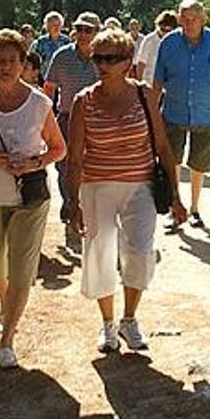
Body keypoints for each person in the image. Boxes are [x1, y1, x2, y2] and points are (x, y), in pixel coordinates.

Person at [66, 29, 187, 352]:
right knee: (100, 250)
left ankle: (129, 320)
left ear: (128, 62)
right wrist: (72, 202)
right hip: (97, 185)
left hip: (140, 185)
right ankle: (107, 325)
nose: (103, 65)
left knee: (141, 251)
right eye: (98, 58)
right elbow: (75, 158)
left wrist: (176, 196)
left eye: (112, 58)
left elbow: (162, 145)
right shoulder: (84, 101)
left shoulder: (145, 95)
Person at [0, 29, 66, 368]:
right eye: (0, 61)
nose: (6, 67)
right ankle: (8, 303)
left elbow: (60, 149)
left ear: (24, 64)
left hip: (30, 198)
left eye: (12, 61)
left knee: (21, 272)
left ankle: (8, 339)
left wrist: (34, 162)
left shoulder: (39, 104)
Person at [153, 0, 210, 229]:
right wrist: (150, 114)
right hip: (173, 113)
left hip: (207, 115)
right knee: (173, 161)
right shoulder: (168, 43)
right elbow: (158, 81)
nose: (188, 23)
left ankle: (195, 209)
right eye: (184, 19)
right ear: (179, 19)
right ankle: (175, 206)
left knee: (199, 164)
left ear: (203, 19)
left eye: (193, 19)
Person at [43, 12, 101, 225]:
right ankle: (69, 202)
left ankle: (88, 205)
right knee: (64, 166)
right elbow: (49, 87)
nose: (83, 34)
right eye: (80, 29)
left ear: (97, 32)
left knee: (92, 165)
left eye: (89, 30)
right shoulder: (62, 56)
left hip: (96, 120)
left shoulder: (105, 58)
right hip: (67, 118)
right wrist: (45, 117)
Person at [136, 10, 178, 85]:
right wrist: (139, 84)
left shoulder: (176, 41)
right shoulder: (149, 40)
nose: (164, 33)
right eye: (162, 29)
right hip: (149, 83)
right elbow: (141, 63)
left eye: (168, 31)